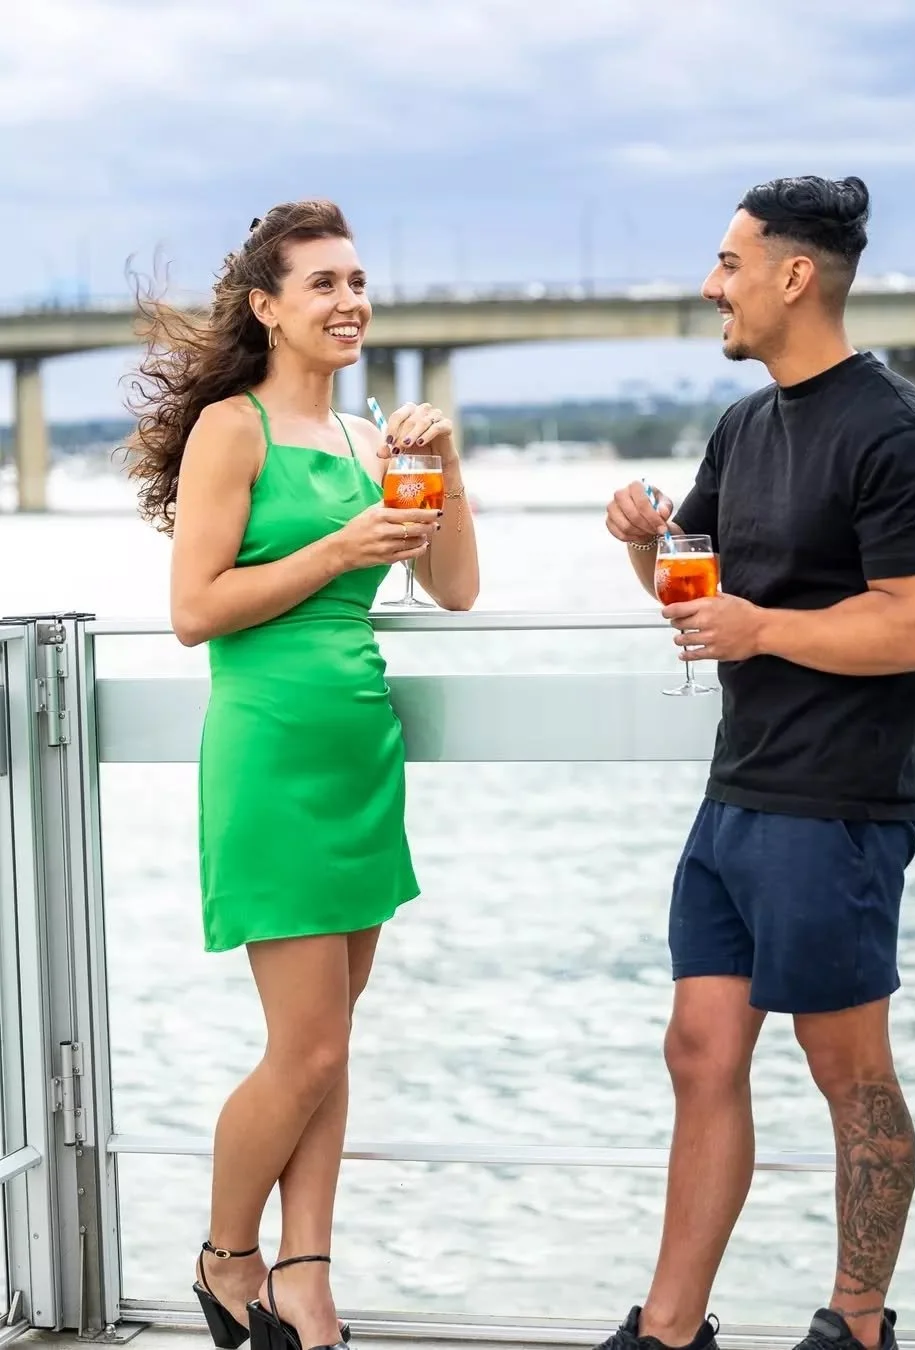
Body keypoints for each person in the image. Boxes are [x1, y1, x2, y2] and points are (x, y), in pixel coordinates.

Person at [601, 176, 915, 1350]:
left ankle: (856, 1324)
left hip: (839, 802)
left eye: (728, 263)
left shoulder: (903, 435)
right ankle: (671, 1329)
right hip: (738, 790)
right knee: (698, 1048)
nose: (712, 284)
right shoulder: (745, 425)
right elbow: (699, 601)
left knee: (847, 1068)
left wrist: (764, 629)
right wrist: (648, 547)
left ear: (793, 276)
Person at [125, 200, 479, 1350]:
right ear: (269, 307)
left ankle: (308, 1278)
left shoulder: (373, 441)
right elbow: (194, 613)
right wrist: (334, 548)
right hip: (272, 754)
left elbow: (458, 589)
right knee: (307, 1048)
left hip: (361, 753)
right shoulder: (233, 429)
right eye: (322, 283)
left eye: (359, 279)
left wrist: (445, 469)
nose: (350, 302)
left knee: (332, 1044)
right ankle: (229, 1258)